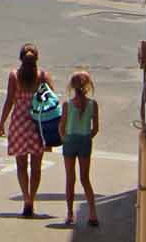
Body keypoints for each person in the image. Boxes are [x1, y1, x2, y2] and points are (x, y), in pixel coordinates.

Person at [0, 43, 52, 218]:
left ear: (21, 59)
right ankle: (32, 199)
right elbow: (52, 101)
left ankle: (26, 198)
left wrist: (2, 122)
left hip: (19, 123)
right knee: (36, 167)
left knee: (21, 165)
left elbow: (9, 101)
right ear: (36, 59)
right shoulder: (43, 76)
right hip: (38, 124)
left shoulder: (14, 76)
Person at [60, 71, 100, 227]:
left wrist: (64, 138)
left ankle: (70, 214)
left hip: (70, 140)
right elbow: (95, 128)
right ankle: (92, 213)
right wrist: (88, 137)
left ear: (72, 87)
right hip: (85, 140)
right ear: (88, 86)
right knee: (85, 178)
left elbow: (62, 127)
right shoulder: (93, 104)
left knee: (70, 179)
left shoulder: (67, 105)